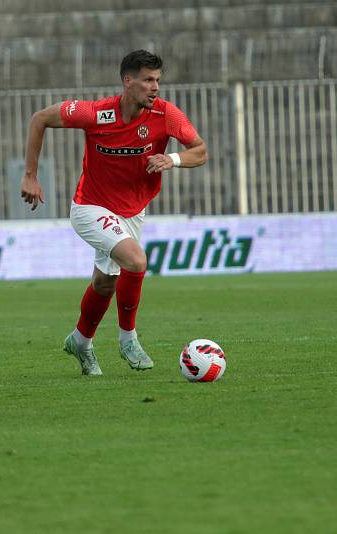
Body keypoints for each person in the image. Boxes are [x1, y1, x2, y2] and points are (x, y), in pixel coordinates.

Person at [20, 50, 207, 376]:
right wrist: (31, 175)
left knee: (105, 283)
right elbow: (39, 119)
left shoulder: (167, 115)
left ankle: (80, 341)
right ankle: (128, 340)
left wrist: (172, 160)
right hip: (91, 207)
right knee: (136, 261)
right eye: (148, 80)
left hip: (132, 212)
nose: (155, 88)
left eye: (158, 80)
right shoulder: (95, 114)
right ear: (128, 80)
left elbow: (200, 150)